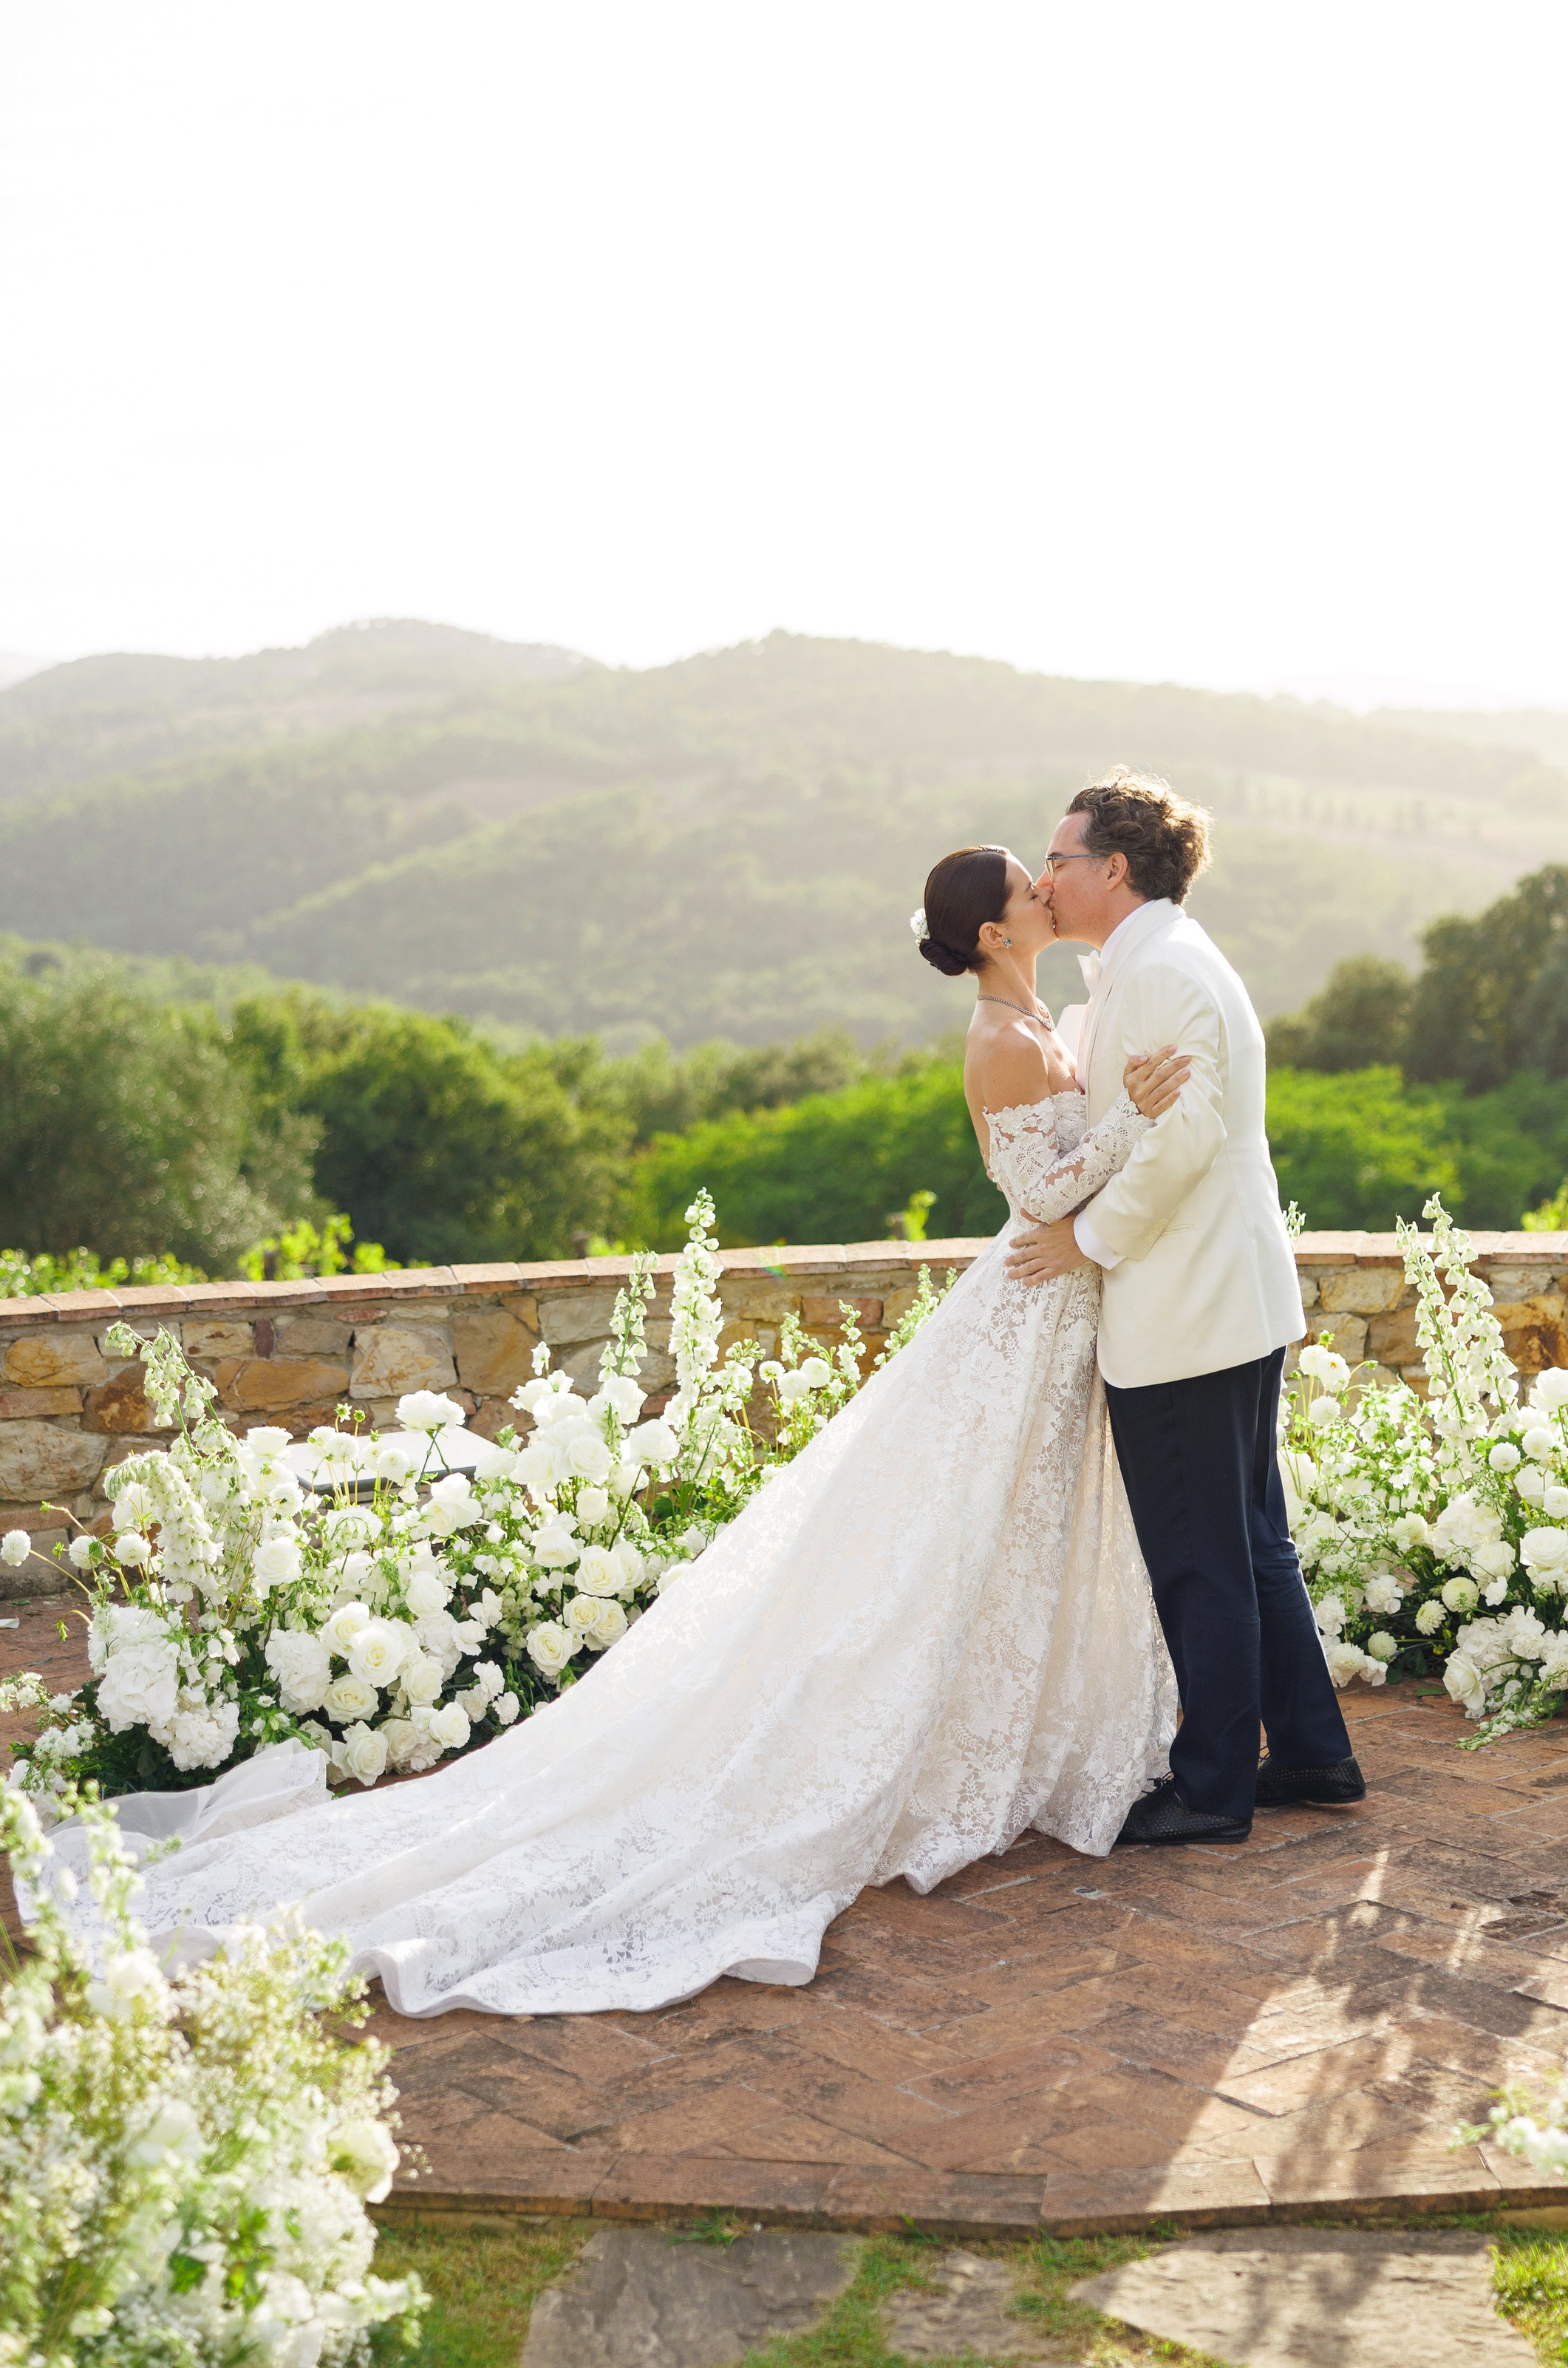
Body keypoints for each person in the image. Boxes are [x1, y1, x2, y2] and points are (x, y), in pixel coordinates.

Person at [48, 846, 1194, 2018]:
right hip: (1021, 1313)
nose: (1046, 887)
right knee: (930, 1552)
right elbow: (1042, 1197)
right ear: (997, 932)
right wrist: (1131, 1129)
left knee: (1005, 1538)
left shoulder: (1046, 1016)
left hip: (1053, 1313)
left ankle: (1006, 1743)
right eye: (1026, 882)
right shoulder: (999, 1042)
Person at [1006, 769, 1363, 1845]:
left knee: (1202, 1554)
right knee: (1251, 1543)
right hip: (1227, 1298)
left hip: (1188, 1308)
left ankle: (1214, 1788)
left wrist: (1085, 1243)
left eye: (1059, 860)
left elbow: (1183, 1141)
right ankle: (1312, 1752)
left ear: (1113, 869)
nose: (1047, 876)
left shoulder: (1161, 973)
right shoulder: (1151, 961)